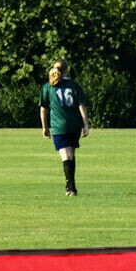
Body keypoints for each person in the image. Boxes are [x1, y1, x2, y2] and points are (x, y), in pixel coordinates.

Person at [39, 59, 90, 196]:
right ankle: (72, 187)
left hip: (59, 126)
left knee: (66, 156)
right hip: (74, 126)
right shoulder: (74, 85)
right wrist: (86, 124)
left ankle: (70, 188)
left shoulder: (48, 86)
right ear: (67, 69)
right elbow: (81, 106)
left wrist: (45, 127)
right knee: (70, 155)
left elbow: (43, 109)